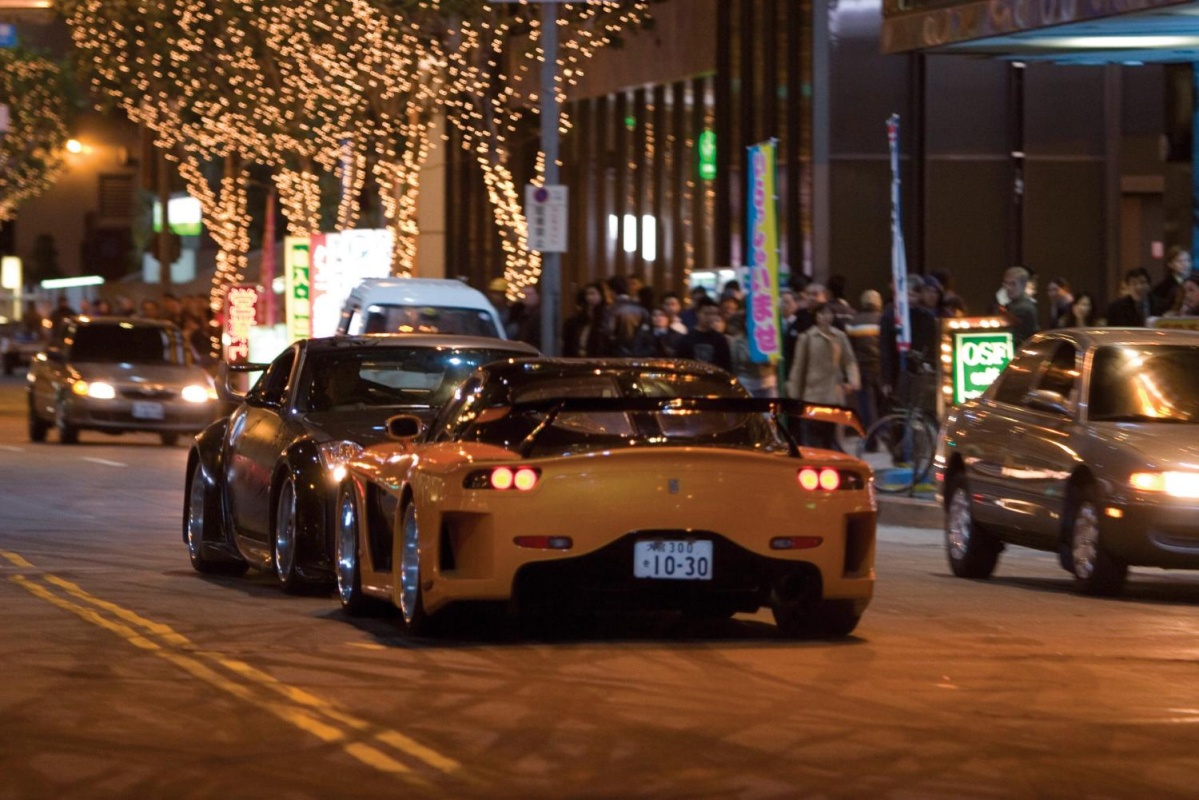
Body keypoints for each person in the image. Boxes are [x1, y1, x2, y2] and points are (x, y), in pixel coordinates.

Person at [786, 302, 860, 450]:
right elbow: (799, 367)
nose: (826, 317)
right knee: (812, 438)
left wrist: (853, 380)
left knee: (830, 437)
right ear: (816, 316)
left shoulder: (839, 336)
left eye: (829, 313)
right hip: (812, 395)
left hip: (833, 395)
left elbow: (849, 360)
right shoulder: (806, 338)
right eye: (822, 313)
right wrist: (794, 394)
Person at [846, 289, 884, 437]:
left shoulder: (854, 321)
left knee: (867, 404)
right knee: (882, 402)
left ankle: (870, 435)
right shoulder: (883, 320)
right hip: (880, 367)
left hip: (862, 368)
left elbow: (850, 348)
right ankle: (884, 432)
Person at [726, 312, 777, 397]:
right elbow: (734, 364)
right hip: (747, 384)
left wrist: (765, 359)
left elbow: (774, 362)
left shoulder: (769, 338)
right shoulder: (737, 341)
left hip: (767, 384)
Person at [676, 297, 732, 371]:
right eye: (707, 314)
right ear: (697, 313)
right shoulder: (686, 339)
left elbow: (726, 366)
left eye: (714, 314)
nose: (710, 317)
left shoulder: (720, 339)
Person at [605, 275, 654, 356]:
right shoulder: (640, 308)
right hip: (639, 353)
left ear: (612, 291)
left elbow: (607, 332)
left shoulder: (611, 309)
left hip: (616, 353)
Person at [561, 282, 610, 357]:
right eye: (587, 294)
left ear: (601, 296)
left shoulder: (606, 319)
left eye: (592, 293)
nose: (589, 297)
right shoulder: (576, 322)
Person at [999, 266, 1039, 344]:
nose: (1008, 288)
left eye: (1013, 284)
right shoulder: (1013, 305)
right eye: (1006, 283)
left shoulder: (1023, 308)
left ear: (1023, 286)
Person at [1152, 246, 1192, 311]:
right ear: (1170, 264)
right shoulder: (1164, 287)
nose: (1185, 264)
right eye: (1179, 261)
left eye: (1188, 260)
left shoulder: (1193, 284)